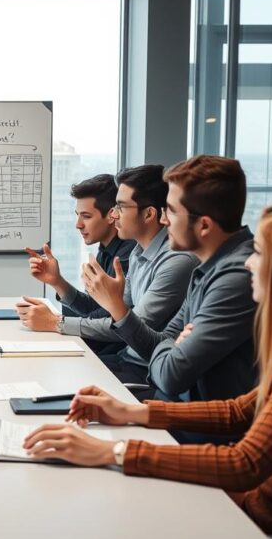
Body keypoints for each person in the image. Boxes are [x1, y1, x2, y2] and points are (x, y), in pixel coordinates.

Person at [23, 197, 272, 539]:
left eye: (260, 252)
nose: (249, 264)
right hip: (265, 513)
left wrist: (112, 451)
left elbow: (245, 463)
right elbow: (240, 412)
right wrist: (132, 414)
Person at [82, 156, 257, 411]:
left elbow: (171, 375)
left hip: (196, 423)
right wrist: (173, 345)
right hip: (177, 407)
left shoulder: (235, 278)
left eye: (171, 211)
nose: (164, 221)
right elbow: (160, 344)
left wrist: (171, 347)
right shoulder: (207, 269)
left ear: (204, 225)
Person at [22, 166, 198, 389]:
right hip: (128, 360)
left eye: (121, 208)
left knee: (56, 382)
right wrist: (57, 282)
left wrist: (56, 323)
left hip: (143, 371)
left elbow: (129, 324)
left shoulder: (176, 262)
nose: (115, 214)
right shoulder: (138, 253)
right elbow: (113, 312)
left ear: (149, 214)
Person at [19, 174, 135, 354]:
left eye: (86, 216)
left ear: (112, 215)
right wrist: (57, 282)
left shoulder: (128, 255)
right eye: (77, 216)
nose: (78, 225)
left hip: (113, 356)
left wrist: (53, 321)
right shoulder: (106, 249)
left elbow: (103, 317)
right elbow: (93, 308)